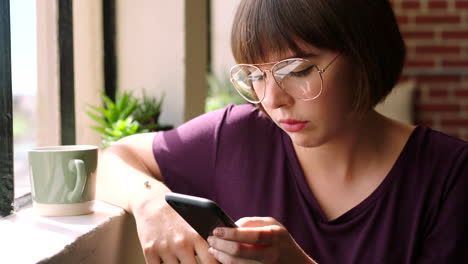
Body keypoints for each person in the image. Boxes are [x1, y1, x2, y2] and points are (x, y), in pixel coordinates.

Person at [96, 0, 468, 263]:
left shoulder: (450, 175)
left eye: (298, 71)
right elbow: (112, 158)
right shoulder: (237, 137)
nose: (272, 99)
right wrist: (151, 204)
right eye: (255, 75)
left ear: (365, 54)